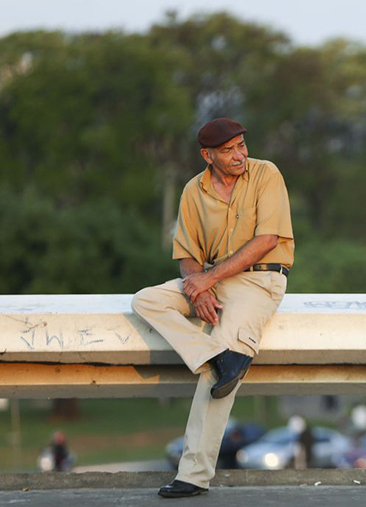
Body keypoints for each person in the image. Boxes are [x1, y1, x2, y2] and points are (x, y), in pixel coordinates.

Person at [132, 118, 294, 498]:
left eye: (241, 146)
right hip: (212, 281)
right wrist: (198, 289)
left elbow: (267, 239)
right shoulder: (193, 190)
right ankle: (218, 354)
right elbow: (188, 255)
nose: (240, 155)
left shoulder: (266, 174)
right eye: (229, 150)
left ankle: (193, 475)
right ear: (208, 155)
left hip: (259, 280)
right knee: (146, 300)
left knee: (216, 382)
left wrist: (208, 279)